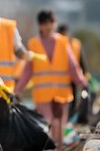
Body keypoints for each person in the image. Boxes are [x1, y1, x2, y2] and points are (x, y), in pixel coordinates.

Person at [14, 10, 87, 150]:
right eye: (45, 23)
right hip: (43, 93)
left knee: (59, 124)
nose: (48, 26)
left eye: (51, 22)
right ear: (40, 25)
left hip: (61, 92)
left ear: (55, 23)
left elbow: (72, 65)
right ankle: (48, 148)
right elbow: (28, 69)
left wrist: (82, 82)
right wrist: (18, 90)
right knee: (46, 123)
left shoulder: (63, 42)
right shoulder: (34, 44)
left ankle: (58, 148)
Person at [58, 24, 90, 124]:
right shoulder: (57, 44)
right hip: (61, 79)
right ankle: (65, 120)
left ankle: (69, 119)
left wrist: (85, 74)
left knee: (74, 100)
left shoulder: (76, 44)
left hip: (73, 77)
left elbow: (81, 60)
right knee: (63, 102)